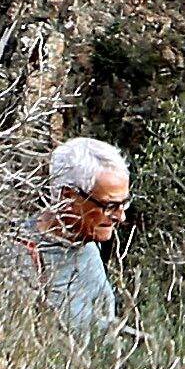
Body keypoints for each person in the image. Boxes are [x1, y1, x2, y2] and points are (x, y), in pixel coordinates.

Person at [35, 135, 133, 332]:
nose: (120, 217)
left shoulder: (86, 240)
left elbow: (103, 325)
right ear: (68, 196)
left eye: (124, 204)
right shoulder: (20, 256)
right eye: (110, 206)